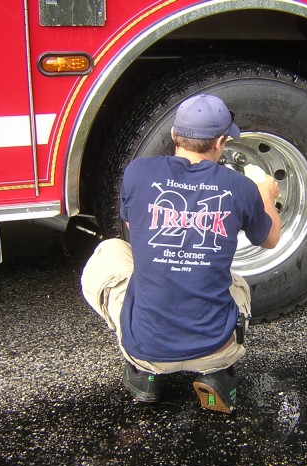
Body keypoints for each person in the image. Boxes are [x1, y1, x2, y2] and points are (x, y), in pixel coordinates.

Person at [81, 94, 281, 414]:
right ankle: (217, 375)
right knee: (235, 281)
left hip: (145, 348)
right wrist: (266, 195)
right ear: (220, 142)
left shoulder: (138, 172)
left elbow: (135, 230)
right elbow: (270, 240)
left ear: (175, 135)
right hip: (217, 347)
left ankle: (145, 375)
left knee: (111, 251)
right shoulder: (239, 186)